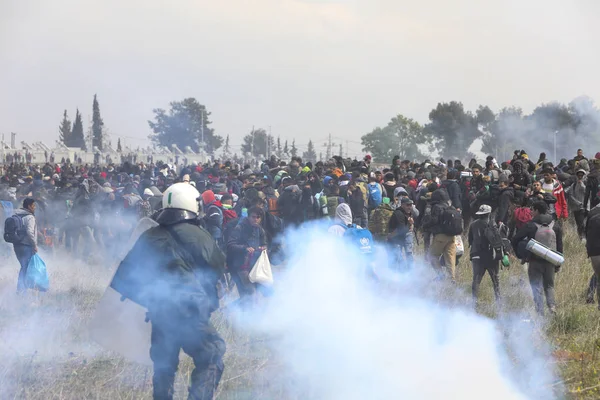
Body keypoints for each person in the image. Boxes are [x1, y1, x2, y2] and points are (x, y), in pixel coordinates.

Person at [112, 182, 226, 400]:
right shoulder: (198, 235)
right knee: (212, 354)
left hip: (160, 311)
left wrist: (151, 299)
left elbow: (127, 275)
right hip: (189, 309)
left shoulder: (149, 235)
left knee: (164, 366)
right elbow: (217, 265)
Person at [512, 201, 563, 316]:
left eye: (532, 210)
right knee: (549, 285)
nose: (531, 212)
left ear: (537, 211)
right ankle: (552, 306)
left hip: (534, 261)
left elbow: (515, 239)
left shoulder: (530, 225)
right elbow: (559, 245)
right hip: (550, 260)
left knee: (536, 286)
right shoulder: (555, 225)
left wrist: (522, 255)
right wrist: (558, 263)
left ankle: (540, 312)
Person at [468, 205, 500, 305]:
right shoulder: (492, 225)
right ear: (489, 213)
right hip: (491, 256)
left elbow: (470, 240)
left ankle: (474, 301)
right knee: (495, 279)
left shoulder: (473, 224)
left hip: (476, 255)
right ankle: (499, 301)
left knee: (476, 279)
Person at [13, 198, 38, 293]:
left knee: (24, 267)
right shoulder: (30, 217)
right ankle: (21, 290)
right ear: (29, 206)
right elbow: (29, 232)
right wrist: (34, 245)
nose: (34, 207)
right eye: (33, 205)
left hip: (17, 245)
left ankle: (22, 289)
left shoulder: (16, 214)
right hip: (26, 245)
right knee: (25, 268)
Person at [388, 197, 415, 270]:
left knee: (409, 254)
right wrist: (410, 225)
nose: (409, 207)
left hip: (405, 236)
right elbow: (401, 229)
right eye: (407, 205)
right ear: (402, 205)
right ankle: (400, 274)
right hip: (396, 238)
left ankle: (411, 272)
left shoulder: (408, 212)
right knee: (398, 256)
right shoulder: (398, 213)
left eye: (410, 205)